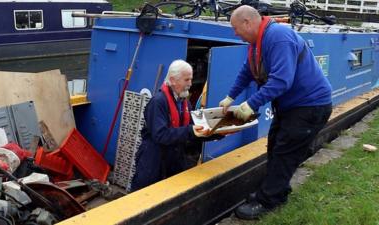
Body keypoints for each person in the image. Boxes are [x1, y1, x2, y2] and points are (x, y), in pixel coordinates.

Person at [219, 5, 332, 220]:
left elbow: (281, 80)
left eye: (235, 29)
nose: (235, 34)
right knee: (274, 146)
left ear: (247, 23)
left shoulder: (279, 38)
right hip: (291, 107)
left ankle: (268, 201)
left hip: (309, 106)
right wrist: (231, 97)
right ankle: (277, 191)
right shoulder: (256, 42)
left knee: (284, 153)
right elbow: (247, 70)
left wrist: (250, 104)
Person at [131, 59, 215, 191]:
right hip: (153, 163)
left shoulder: (184, 102)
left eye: (191, 79)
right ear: (173, 80)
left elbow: (194, 129)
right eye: (186, 80)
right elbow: (161, 135)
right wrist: (190, 131)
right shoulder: (158, 102)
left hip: (174, 160)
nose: (190, 84)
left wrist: (215, 132)